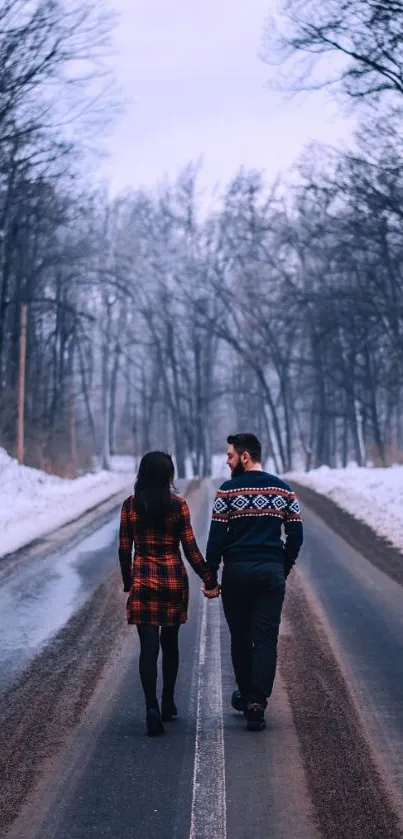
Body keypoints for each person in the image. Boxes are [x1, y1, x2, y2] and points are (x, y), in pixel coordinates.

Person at [205, 433, 303, 731]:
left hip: (236, 574)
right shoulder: (284, 490)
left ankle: (246, 694)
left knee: (240, 637)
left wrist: (211, 579)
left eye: (230, 455)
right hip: (270, 573)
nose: (227, 460)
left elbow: (215, 541)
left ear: (245, 456)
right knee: (265, 638)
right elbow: (296, 536)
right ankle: (257, 701)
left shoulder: (227, 492)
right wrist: (281, 567)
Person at [119, 451, 220, 736]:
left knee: (148, 649)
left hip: (143, 583)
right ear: (168, 477)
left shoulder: (130, 506)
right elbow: (190, 549)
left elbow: (124, 548)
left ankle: (150, 706)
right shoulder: (178, 506)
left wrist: (129, 581)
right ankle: (168, 702)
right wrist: (210, 578)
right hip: (173, 582)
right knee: (170, 644)